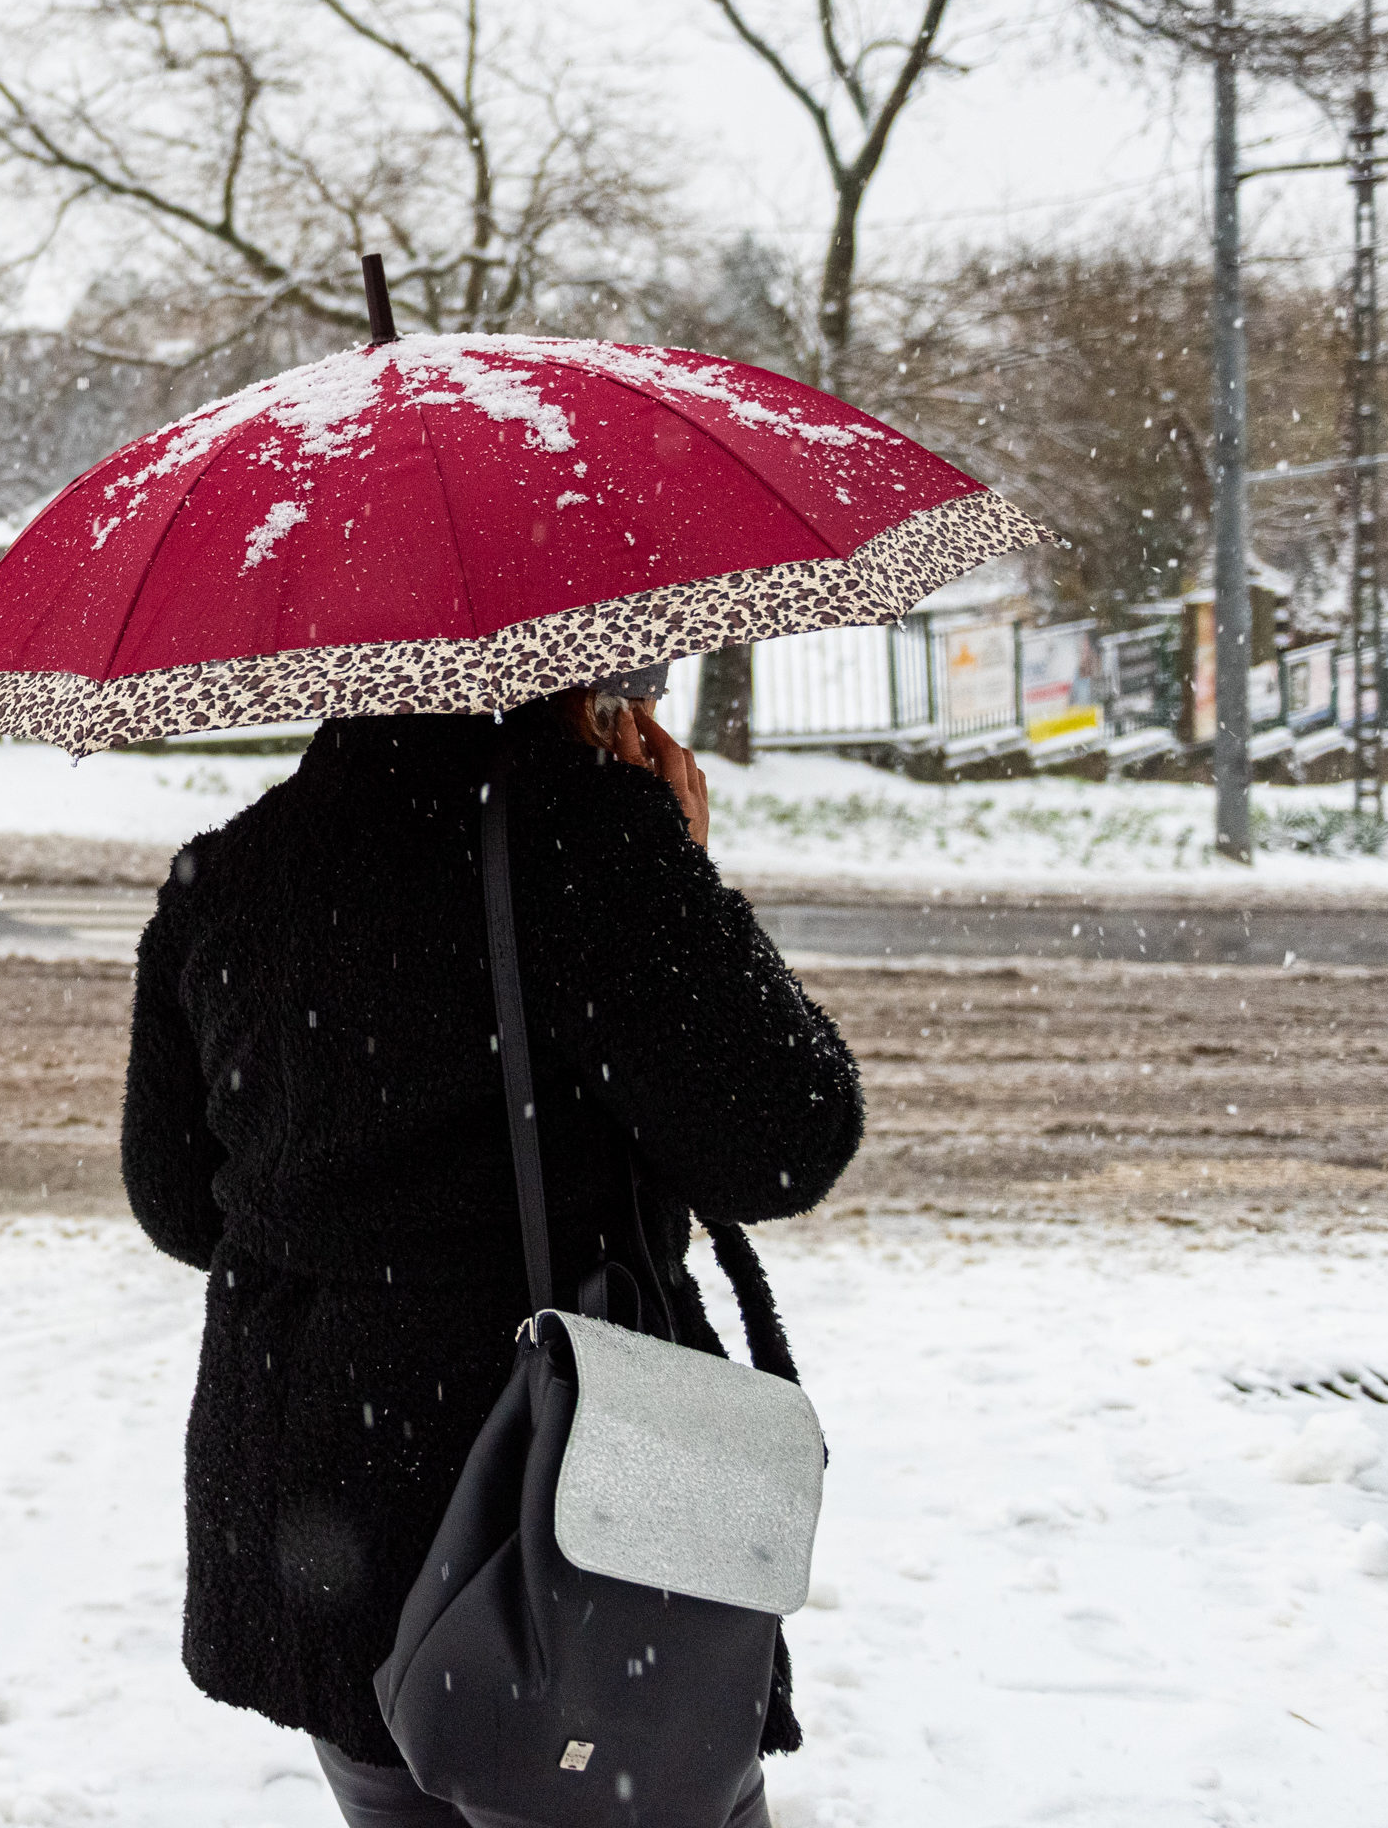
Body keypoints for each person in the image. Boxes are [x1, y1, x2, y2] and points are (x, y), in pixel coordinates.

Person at [120, 688, 864, 1828]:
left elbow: (177, 1207)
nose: (650, 694)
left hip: (320, 1510)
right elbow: (783, 1142)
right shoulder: (584, 839)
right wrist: (676, 866)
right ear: (562, 662)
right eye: (637, 671)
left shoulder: (226, 873)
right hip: (561, 1503)